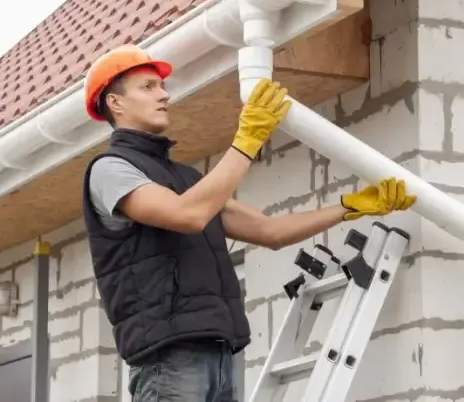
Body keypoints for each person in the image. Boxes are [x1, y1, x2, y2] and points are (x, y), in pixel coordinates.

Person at [81, 44, 417, 402]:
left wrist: (349, 208)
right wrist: (246, 142)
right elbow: (187, 216)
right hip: (168, 361)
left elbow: (267, 231)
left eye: (162, 86)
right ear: (115, 103)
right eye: (148, 87)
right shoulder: (110, 170)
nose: (164, 94)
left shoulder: (188, 180)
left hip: (219, 356)